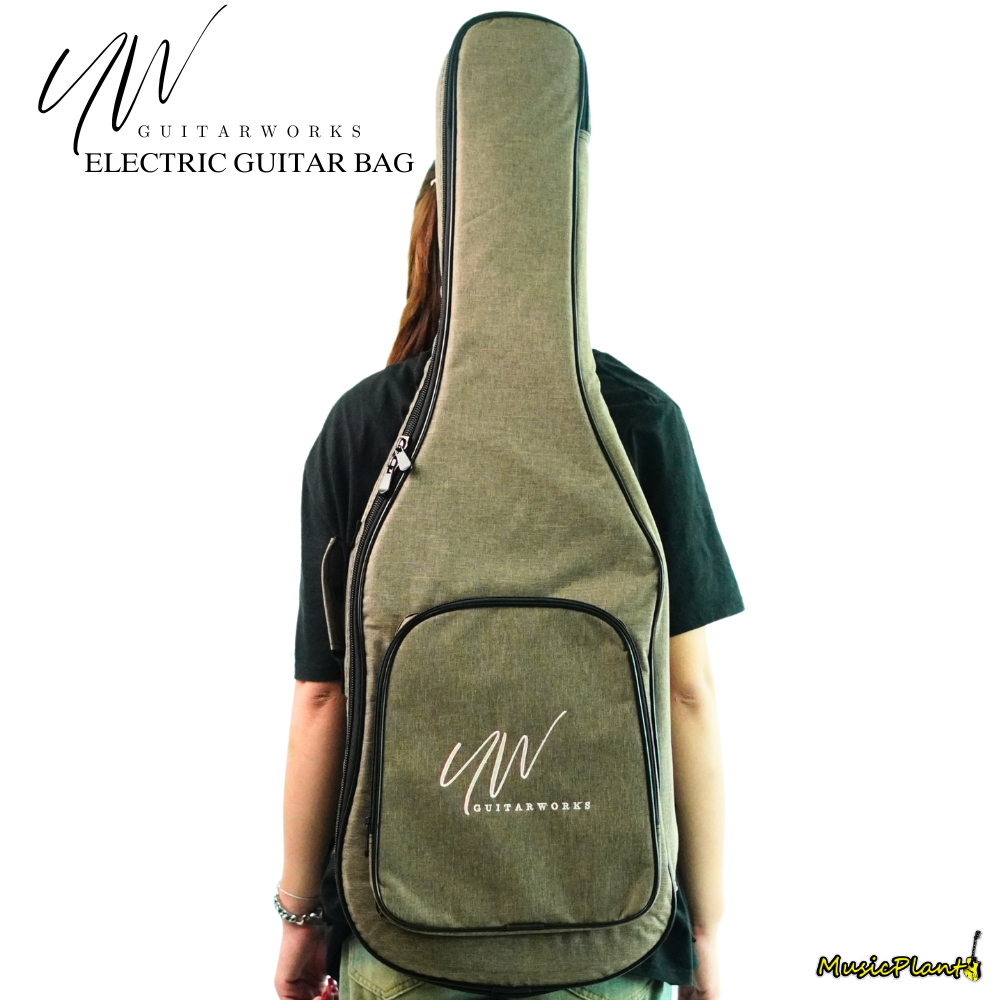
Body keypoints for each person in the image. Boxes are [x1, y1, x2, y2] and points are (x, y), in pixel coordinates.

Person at [274, 165, 744, 1000]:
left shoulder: (364, 424)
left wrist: (300, 919)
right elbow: (686, 696)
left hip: (401, 936)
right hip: (606, 939)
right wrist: (703, 936)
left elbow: (323, 698)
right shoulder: (639, 418)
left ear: (430, 248)